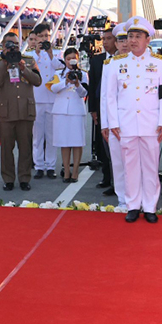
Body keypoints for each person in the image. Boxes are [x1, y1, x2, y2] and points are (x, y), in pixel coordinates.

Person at [105, 17, 162, 223]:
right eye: (130, 36)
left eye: (137, 37)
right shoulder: (117, 64)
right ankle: (133, 204)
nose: (133, 41)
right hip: (125, 124)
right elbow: (110, 96)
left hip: (151, 123)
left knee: (151, 166)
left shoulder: (159, 64)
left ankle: (150, 206)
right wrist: (113, 123)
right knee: (130, 166)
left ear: (148, 39)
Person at [0, 32, 42, 190]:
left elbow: (38, 81)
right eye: (9, 44)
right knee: (6, 149)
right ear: (4, 46)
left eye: (15, 43)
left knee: (25, 147)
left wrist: (23, 69)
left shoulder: (28, 60)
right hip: (7, 112)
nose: (13, 46)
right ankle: (8, 179)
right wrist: (5, 63)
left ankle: (24, 178)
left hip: (25, 111)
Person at [100, 23, 131, 208]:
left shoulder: (142, 62)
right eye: (120, 40)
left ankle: (137, 198)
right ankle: (122, 199)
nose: (125, 43)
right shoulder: (109, 65)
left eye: (128, 39)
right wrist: (105, 124)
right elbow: (105, 96)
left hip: (135, 121)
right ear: (116, 44)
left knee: (136, 164)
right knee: (118, 163)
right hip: (115, 122)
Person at [29, 23, 64, 179]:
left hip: (52, 99)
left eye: (47, 36)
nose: (44, 39)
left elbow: (61, 68)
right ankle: (38, 166)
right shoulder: (31, 55)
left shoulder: (57, 53)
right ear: (35, 37)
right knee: (37, 136)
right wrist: (37, 52)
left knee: (51, 136)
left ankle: (50, 166)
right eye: (41, 36)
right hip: (36, 99)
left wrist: (50, 53)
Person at [50, 47, 88, 182]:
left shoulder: (83, 74)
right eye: (68, 59)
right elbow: (53, 89)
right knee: (64, 142)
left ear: (77, 59)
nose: (70, 61)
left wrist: (77, 83)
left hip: (76, 111)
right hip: (61, 111)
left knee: (77, 142)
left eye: (73, 58)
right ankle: (66, 170)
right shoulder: (59, 73)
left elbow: (84, 93)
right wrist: (65, 82)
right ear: (64, 60)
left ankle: (75, 170)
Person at [88, 28, 117, 192]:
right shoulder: (97, 61)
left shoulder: (123, 59)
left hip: (119, 110)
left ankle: (119, 181)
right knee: (104, 145)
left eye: (109, 38)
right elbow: (92, 87)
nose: (105, 42)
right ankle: (107, 178)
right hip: (101, 108)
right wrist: (93, 109)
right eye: (103, 39)